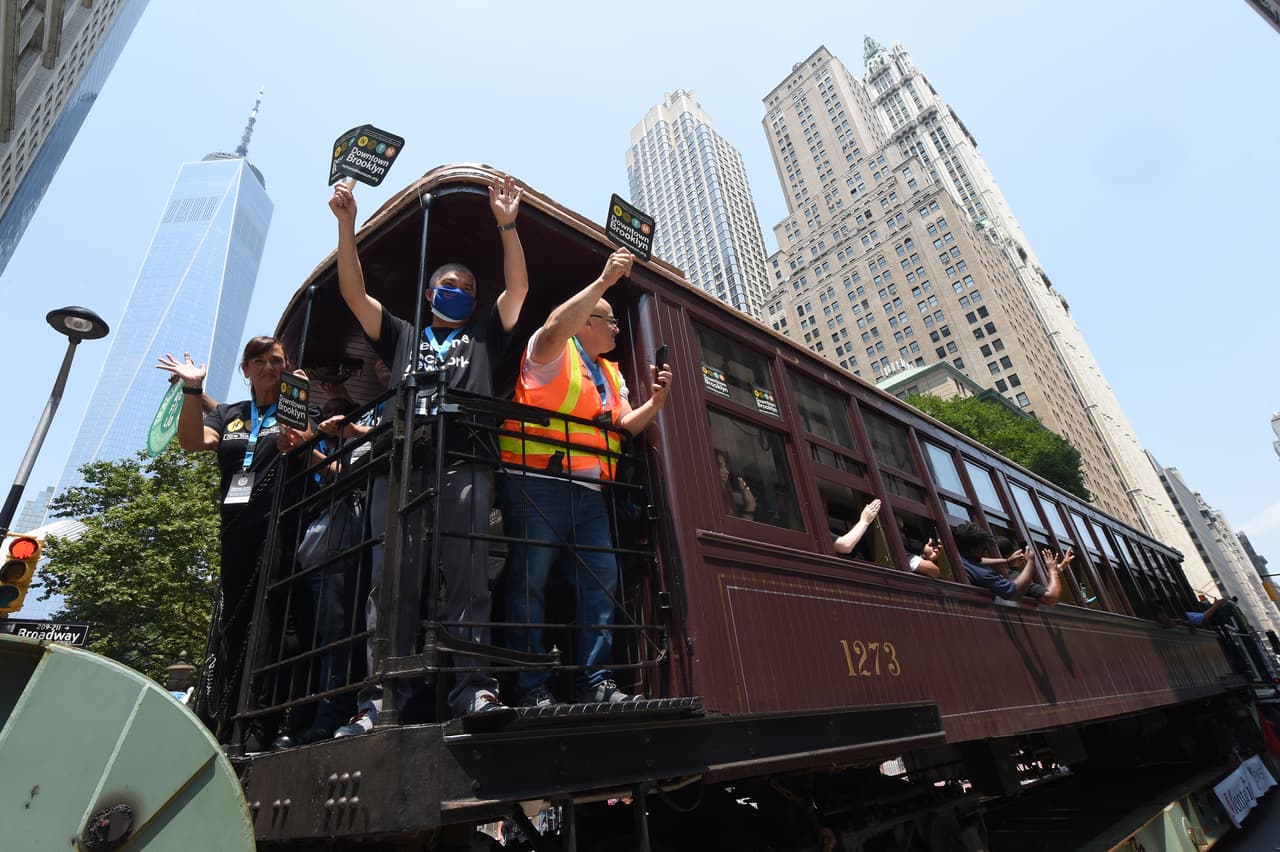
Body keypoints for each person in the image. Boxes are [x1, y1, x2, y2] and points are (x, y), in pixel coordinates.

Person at [328, 173, 528, 731]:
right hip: (402, 469)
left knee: (467, 579)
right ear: (429, 293)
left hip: (465, 465)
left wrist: (507, 226)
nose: (459, 290)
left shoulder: (487, 335)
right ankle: (381, 702)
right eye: (449, 283)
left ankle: (474, 691)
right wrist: (346, 226)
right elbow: (352, 293)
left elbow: (517, 292)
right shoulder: (403, 336)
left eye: (467, 285)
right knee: (391, 583)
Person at [499, 247, 673, 707]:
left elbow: (622, 426)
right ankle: (532, 688)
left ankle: (597, 682)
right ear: (587, 321)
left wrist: (654, 404)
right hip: (536, 484)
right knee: (528, 584)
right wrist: (602, 281)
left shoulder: (613, 375)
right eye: (610, 320)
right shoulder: (551, 350)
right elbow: (557, 325)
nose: (617, 329)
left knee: (602, 581)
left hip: (590, 494)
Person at [157, 337, 314, 746]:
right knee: (235, 625)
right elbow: (193, 441)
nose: (268, 367)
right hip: (236, 530)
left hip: (281, 526)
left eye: (276, 360)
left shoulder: (296, 408)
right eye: (259, 361)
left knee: (275, 624)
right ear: (245, 369)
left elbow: (313, 450)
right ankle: (227, 720)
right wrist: (193, 388)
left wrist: (299, 441)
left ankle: (266, 723)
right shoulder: (229, 414)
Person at [952, 522, 1063, 605]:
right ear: (972, 550)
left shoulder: (960, 559)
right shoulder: (987, 574)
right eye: (982, 548)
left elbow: (980, 560)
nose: (983, 553)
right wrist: (1033, 564)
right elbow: (1013, 592)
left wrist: (1007, 562)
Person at [833, 499, 941, 578]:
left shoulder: (864, 544)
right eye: (899, 529)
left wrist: (924, 556)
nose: (903, 535)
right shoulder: (892, 550)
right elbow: (934, 571)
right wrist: (865, 521)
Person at [715, 449, 755, 519]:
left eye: (726, 467)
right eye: (719, 466)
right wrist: (750, 507)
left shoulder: (728, 498)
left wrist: (750, 505)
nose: (726, 472)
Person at [1153, 597, 1228, 629]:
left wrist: (1215, 606)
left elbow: (1203, 616)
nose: (1163, 616)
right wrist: (1216, 606)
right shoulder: (1181, 614)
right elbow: (1203, 617)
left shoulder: (1182, 614)